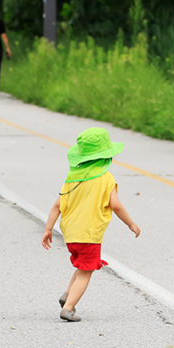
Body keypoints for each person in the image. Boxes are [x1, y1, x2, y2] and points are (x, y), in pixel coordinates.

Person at [41, 127, 140, 322]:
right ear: (106, 157)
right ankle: (68, 308)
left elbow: (57, 206)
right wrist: (131, 223)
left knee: (82, 266)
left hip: (70, 234)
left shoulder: (72, 178)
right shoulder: (105, 178)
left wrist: (47, 229)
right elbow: (116, 205)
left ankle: (67, 294)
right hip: (89, 234)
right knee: (87, 273)